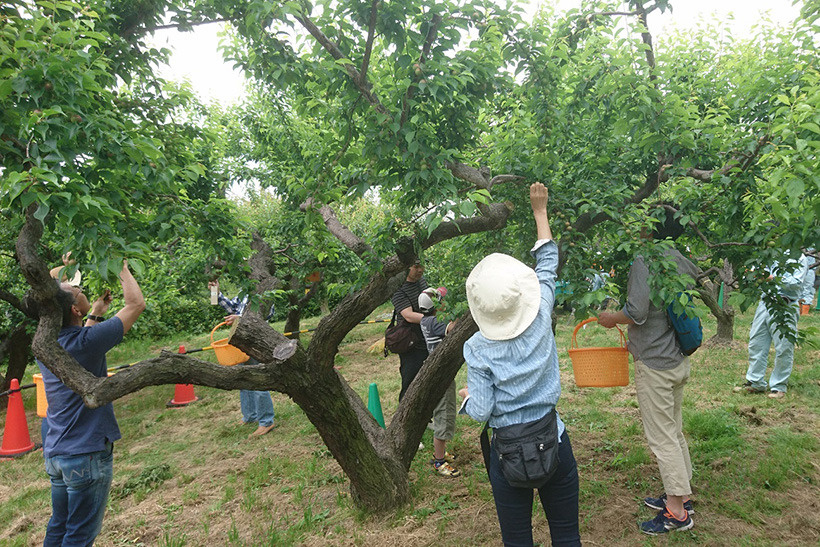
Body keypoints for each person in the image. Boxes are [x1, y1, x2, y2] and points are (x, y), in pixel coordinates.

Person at [459, 182, 581, 547]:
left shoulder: (477, 348)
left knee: (517, 540)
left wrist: (467, 398)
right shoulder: (541, 315)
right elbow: (547, 263)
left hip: (508, 454)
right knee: (566, 536)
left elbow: (481, 410)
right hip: (553, 440)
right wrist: (539, 212)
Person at [597, 211, 699, 535]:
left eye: (644, 221)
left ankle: (677, 512)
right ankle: (682, 494)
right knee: (675, 430)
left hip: (655, 363)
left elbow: (637, 311)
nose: (639, 226)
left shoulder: (646, 258)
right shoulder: (680, 258)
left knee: (662, 438)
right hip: (677, 360)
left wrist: (612, 318)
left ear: (652, 227)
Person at [38, 259, 145, 546]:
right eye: (75, 291)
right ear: (75, 309)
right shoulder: (88, 342)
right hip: (86, 455)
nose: (78, 287)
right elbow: (135, 305)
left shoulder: (45, 344)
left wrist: (95, 313)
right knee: (80, 535)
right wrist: (120, 264)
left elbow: (79, 337)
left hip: (57, 454)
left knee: (59, 526)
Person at [734, 253, 809, 399]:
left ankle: (779, 386)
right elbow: (754, 274)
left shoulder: (799, 258)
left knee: (784, 347)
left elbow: (796, 283)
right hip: (765, 303)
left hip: (785, 304)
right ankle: (755, 382)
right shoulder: (768, 255)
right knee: (756, 343)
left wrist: (772, 278)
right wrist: (750, 273)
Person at [209, 280, 276, 437]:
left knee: (259, 380)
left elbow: (265, 315)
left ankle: (266, 421)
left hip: (257, 340)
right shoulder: (245, 290)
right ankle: (250, 416)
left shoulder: (265, 294)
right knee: (244, 378)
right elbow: (230, 307)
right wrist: (215, 292)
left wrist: (239, 318)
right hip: (242, 340)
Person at [417, 287, 460, 477]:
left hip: (440, 375)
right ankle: (439, 461)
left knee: (444, 413)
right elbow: (454, 328)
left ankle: (440, 453)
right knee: (443, 415)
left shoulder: (426, 320)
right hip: (441, 377)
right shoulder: (434, 322)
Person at [391, 258, 429, 401]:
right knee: (410, 381)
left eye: (422, 266)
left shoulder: (421, 281)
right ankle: (403, 416)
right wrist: (433, 321)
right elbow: (408, 315)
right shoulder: (398, 288)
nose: (420, 270)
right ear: (406, 268)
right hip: (410, 342)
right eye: (416, 267)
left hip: (426, 337)